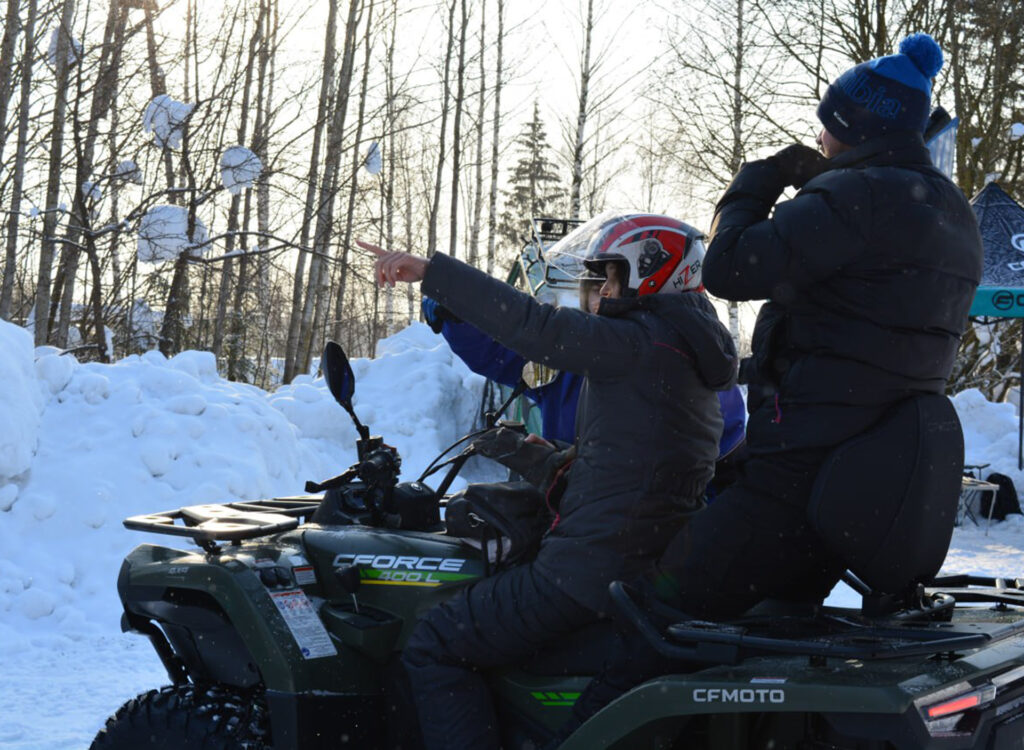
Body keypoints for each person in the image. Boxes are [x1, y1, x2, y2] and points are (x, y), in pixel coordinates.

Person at [557, 32, 985, 735]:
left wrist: (756, 181)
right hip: (856, 476)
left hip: (795, 478)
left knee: (653, 613)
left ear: (854, 127)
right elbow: (863, 332)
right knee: (749, 646)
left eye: (827, 124)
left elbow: (728, 269)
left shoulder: (856, 197)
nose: (817, 137)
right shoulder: (948, 212)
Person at [360, 211, 738, 750]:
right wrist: (547, 460)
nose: (598, 291)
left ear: (647, 275)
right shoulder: (687, 347)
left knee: (436, 641)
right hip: (639, 560)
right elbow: (639, 464)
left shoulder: (639, 341)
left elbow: (536, 329)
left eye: (609, 276)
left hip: (588, 569)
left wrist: (433, 273)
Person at [423, 292, 747, 467]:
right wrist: (459, 313)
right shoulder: (569, 365)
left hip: (650, 541)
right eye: (591, 290)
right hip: (570, 518)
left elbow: (695, 461)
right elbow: (502, 354)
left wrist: (568, 460)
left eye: (608, 287)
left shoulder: (689, 369)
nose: (598, 300)